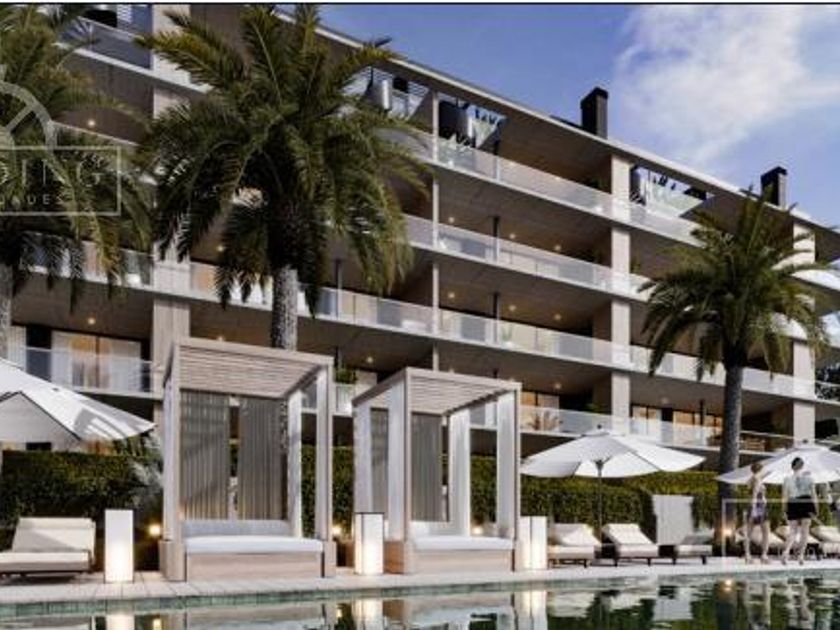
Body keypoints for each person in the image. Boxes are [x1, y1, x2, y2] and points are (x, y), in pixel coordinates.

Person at [782, 457, 818, 565]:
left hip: (792, 502)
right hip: (806, 502)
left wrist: (784, 509)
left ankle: (786, 552)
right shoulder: (809, 478)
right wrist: (816, 508)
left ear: (792, 467)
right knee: (805, 532)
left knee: (793, 531)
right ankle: (801, 556)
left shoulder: (787, 479)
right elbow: (814, 495)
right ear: (802, 466)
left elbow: (784, 496)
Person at [744, 461, 770, 564]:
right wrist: (755, 509)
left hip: (752, 506)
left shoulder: (751, 479)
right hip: (759, 506)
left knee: (749, 533)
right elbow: (755, 495)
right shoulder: (758, 479)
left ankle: (747, 555)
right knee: (766, 532)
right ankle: (764, 555)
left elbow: (751, 492)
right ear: (760, 469)